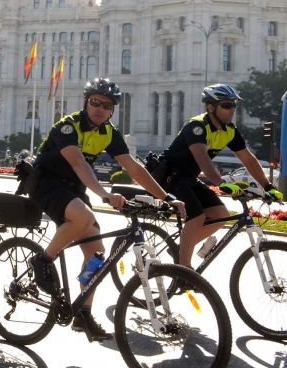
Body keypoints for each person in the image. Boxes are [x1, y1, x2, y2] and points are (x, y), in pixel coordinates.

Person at [26, 78, 185, 342]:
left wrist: (167, 196)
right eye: (95, 102)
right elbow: (78, 163)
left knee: (96, 254)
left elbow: (133, 167)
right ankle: (42, 260)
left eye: (106, 105)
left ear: (112, 110)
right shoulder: (68, 126)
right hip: (46, 183)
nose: (100, 108)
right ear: (86, 103)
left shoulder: (109, 133)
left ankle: (83, 315)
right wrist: (104, 194)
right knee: (85, 217)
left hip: (73, 190)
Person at [158, 84, 282, 266]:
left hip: (188, 179)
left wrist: (268, 186)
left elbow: (248, 159)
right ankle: (183, 270)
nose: (232, 110)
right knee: (197, 217)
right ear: (210, 107)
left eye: (234, 105)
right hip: (169, 176)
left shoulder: (229, 131)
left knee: (220, 214)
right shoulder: (197, 126)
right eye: (226, 105)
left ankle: (181, 248)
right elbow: (202, 159)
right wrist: (220, 182)